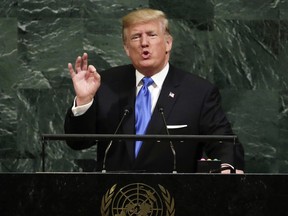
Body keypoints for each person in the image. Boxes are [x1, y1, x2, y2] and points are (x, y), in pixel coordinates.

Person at [64, 8, 244, 173]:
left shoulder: (198, 92)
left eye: (151, 35)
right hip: (114, 199)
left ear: (168, 43)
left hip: (175, 198)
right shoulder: (105, 84)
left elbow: (224, 142)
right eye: (136, 37)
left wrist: (227, 166)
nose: (144, 43)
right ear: (126, 48)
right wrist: (84, 100)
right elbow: (78, 142)